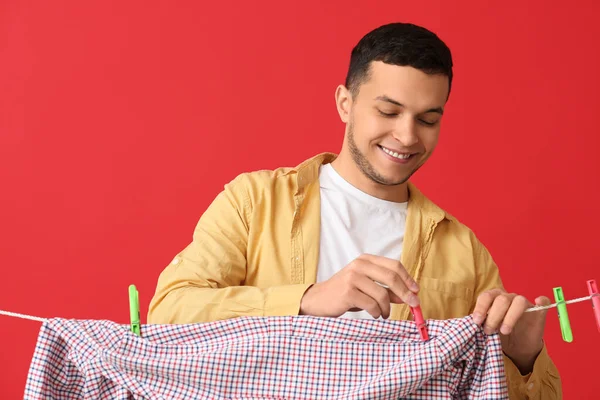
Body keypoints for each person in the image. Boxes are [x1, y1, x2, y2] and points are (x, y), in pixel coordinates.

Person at [147, 22, 562, 399]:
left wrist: (522, 358)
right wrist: (307, 300)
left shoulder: (465, 252)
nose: (406, 135)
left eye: (428, 119)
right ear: (345, 103)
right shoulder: (254, 201)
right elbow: (167, 315)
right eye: (388, 111)